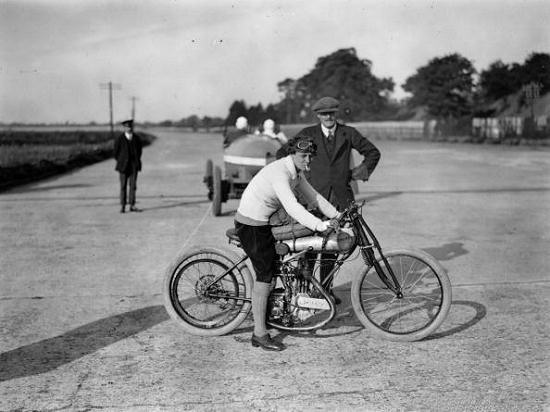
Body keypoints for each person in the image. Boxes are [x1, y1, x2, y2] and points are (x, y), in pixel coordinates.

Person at [234, 136, 340, 351]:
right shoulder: (280, 173)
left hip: (265, 221)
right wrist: (321, 226)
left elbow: (315, 198)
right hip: (252, 224)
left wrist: (338, 215)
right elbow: (292, 207)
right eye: (304, 156)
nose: (308, 160)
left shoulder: (295, 172)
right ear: (292, 154)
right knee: (265, 275)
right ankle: (259, 334)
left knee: (290, 256)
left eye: (311, 156)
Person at [277, 96, 381, 303]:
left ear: (336, 114)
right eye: (324, 114)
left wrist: (357, 172)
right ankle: (304, 293)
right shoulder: (308, 133)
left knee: (331, 248)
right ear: (318, 115)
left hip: (340, 201)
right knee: (308, 248)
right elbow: (283, 153)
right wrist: (296, 181)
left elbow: (373, 153)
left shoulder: (348, 133)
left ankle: (324, 291)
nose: (328, 117)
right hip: (311, 200)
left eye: (332, 113)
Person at [114, 119, 143, 213]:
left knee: (133, 186)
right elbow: (115, 153)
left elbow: (139, 151)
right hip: (123, 166)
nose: (129, 128)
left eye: (130, 127)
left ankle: (132, 205)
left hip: (134, 165)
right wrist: (121, 160)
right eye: (127, 127)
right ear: (124, 128)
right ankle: (123, 206)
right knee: (123, 186)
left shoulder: (137, 139)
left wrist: (136, 161)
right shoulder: (119, 139)